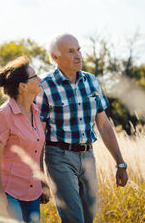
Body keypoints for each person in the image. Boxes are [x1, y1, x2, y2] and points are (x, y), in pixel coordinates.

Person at [35, 34, 129, 223]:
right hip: (59, 157)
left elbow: (103, 124)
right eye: (71, 51)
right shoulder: (44, 86)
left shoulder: (91, 81)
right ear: (55, 57)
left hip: (88, 157)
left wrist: (120, 163)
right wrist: (40, 177)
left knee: (88, 218)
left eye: (79, 50)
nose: (78, 55)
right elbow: (39, 135)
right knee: (74, 219)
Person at [0, 56, 50, 223]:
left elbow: (38, 151)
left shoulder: (36, 112)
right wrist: (0, 195)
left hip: (32, 193)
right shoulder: (4, 114)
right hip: (8, 192)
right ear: (23, 86)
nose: (40, 79)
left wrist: (43, 183)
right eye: (35, 76)